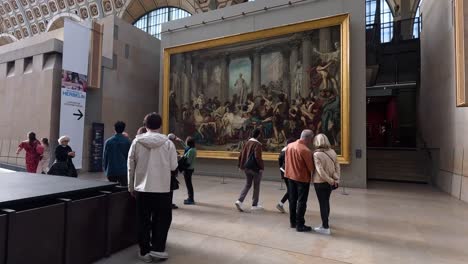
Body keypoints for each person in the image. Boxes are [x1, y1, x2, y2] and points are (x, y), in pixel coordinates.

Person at [128, 113, 178, 262]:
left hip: (142, 189)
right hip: (163, 188)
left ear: (145, 125)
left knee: (142, 220)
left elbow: (130, 167)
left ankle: (144, 252)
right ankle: (158, 249)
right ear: (160, 125)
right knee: (162, 219)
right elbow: (174, 166)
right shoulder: (168, 143)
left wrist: (131, 187)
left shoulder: (136, 142)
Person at [285, 130, 315, 232]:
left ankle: (292, 222)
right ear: (308, 138)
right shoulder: (305, 150)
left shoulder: (290, 146)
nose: (312, 141)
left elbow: (286, 162)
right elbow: (311, 168)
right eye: (311, 139)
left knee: (292, 200)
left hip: (290, 176)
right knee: (301, 201)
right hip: (302, 179)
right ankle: (300, 225)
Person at [312, 134, 340, 235]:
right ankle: (325, 222)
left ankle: (325, 227)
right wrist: (336, 179)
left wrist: (330, 181)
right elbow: (337, 166)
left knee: (322, 204)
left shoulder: (316, 154)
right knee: (326, 202)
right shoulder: (332, 152)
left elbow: (320, 171)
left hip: (320, 182)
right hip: (330, 182)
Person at [235, 128, 264, 212]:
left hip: (246, 167)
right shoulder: (257, 144)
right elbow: (257, 157)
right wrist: (261, 167)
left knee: (247, 184)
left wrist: (240, 165)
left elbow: (241, 154)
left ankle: (239, 201)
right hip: (255, 168)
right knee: (256, 186)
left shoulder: (247, 143)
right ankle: (254, 205)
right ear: (258, 135)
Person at [103, 121, 131, 186]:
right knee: (123, 191)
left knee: (112, 190)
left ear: (114, 128)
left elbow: (105, 157)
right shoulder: (128, 141)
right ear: (124, 129)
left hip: (111, 170)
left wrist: (105, 169)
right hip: (123, 171)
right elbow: (129, 157)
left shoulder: (108, 142)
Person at [276, 138, 295, 213]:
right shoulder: (287, 151)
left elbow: (280, 165)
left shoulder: (283, 151)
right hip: (288, 173)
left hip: (284, 172)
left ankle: (292, 206)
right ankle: (281, 204)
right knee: (291, 190)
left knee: (290, 190)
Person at [176, 136, 197, 205]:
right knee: (188, 184)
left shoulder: (191, 151)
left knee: (189, 184)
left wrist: (181, 157)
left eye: (186, 142)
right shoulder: (191, 149)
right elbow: (185, 147)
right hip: (189, 169)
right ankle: (190, 198)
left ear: (189, 143)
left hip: (188, 169)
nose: (185, 143)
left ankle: (191, 199)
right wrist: (180, 140)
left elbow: (188, 162)